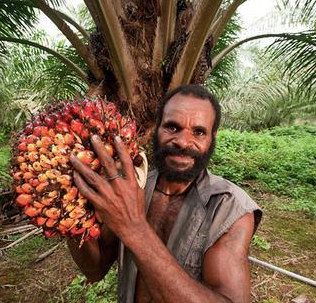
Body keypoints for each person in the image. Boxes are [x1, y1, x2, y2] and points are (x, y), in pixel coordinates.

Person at [68, 85, 262, 303]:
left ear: (212, 137)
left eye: (198, 132)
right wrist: (70, 211)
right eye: (172, 127)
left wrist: (134, 228)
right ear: (156, 128)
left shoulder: (229, 207)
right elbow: (95, 269)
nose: (183, 141)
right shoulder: (133, 187)